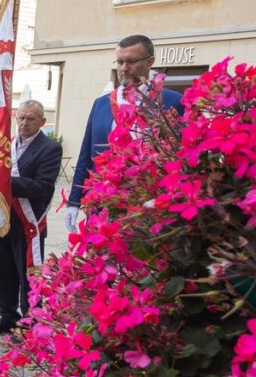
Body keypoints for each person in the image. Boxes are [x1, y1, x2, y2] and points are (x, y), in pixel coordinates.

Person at [66, 34, 185, 232]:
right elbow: (86, 155)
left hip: (147, 203)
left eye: (131, 61)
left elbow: (183, 154)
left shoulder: (173, 102)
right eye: (120, 62)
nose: (123, 68)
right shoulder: (102, 103)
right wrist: (74, 202)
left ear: (150, 62)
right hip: (104, 203)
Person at [0, 100, 63, 334]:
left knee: (27, 276)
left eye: (30, 118)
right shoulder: (5, 146)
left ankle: (30, 322)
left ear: (42, 122)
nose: (24, 123)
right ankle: (7, 315)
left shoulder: (50, 148)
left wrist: (5, 183)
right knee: (3, 272)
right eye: (21, 117)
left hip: (29, 223)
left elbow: (42, 187)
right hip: (3, 220)